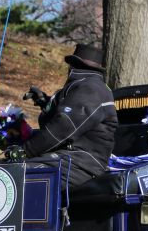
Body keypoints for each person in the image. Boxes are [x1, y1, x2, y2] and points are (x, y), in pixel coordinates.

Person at [9, 43, 118, 189]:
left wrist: (25, 151)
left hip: (81, 163)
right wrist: (45, 102)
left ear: (74, 65)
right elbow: (70, 116)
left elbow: (63, 127)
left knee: (13, 175)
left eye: (71, 64)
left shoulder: (91, 89)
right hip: (69, 157)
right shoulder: (84, 85)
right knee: (6, 169)